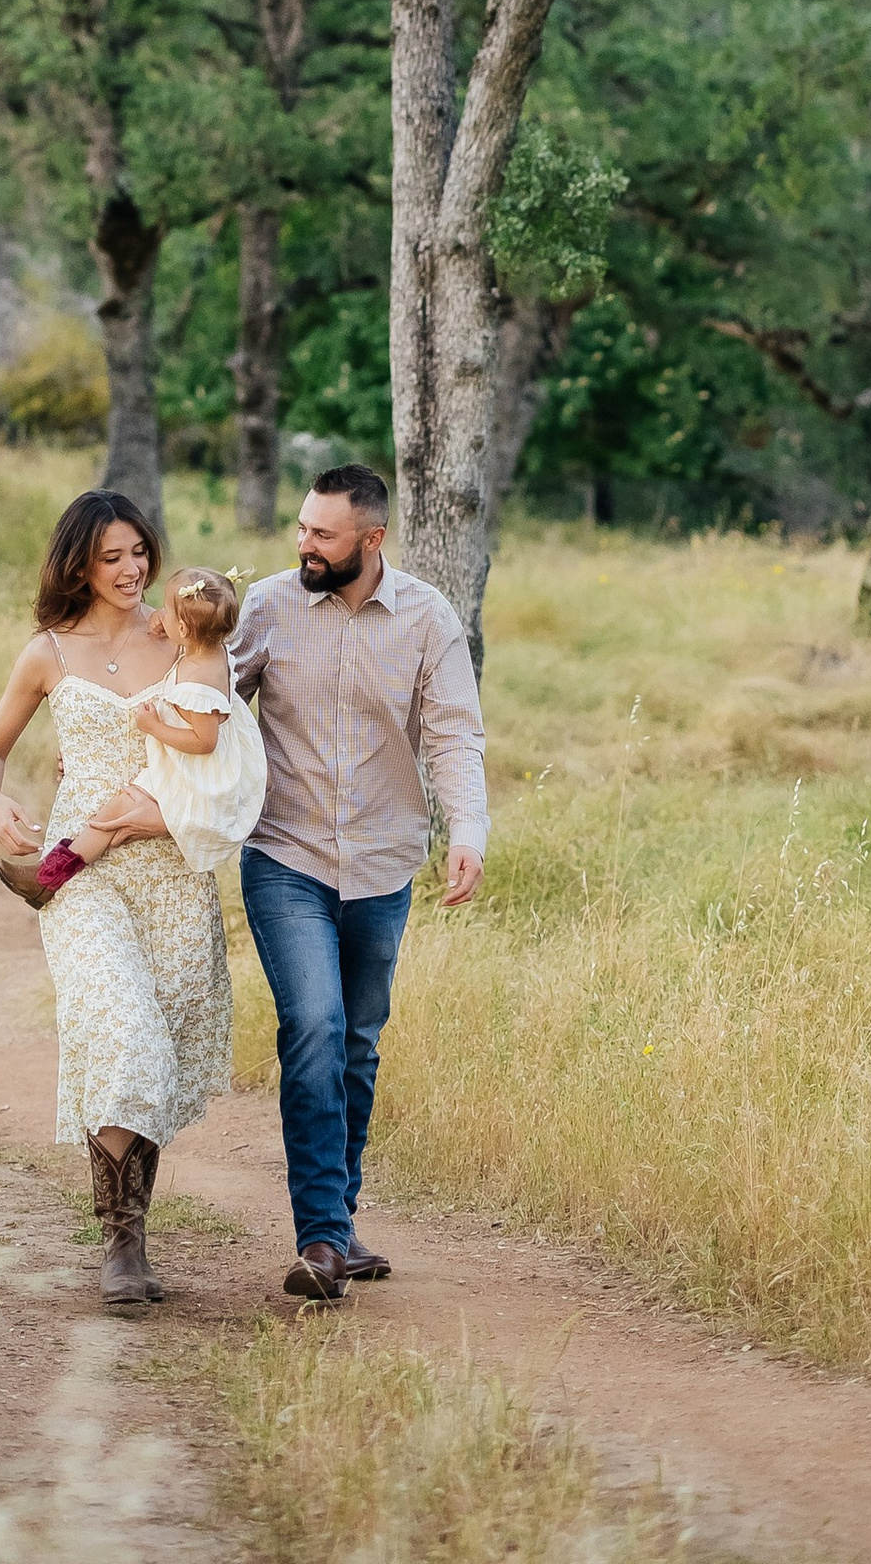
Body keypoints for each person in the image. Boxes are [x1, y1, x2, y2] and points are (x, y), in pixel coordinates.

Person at [0, 489, 233, 1312]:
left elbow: (220, 747)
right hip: (78, 877)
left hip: (172, 871)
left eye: (139, 553)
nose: (131, 569)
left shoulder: (179, 634)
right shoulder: (46, 652)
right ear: (79, 561)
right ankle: (122, 1245)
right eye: (112, 556)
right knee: (122, 1028)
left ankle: (136, 1230)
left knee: (155, 1048)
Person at [232, 461, 487, 1309]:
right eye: (302, 528)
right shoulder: (266, 606)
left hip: (382, 862)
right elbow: (203, 704)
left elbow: (452, 732)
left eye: (323, 534)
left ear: (370, 540)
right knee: (313, 1024)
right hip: (286, 856)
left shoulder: (426, 617)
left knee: (358, 1043)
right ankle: (319, 1240)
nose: (304, 544)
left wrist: (468, 833)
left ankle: (338, 1226)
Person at [0, 566, 267, 893]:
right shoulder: (207, 649)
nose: (158, 614)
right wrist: (168, 625)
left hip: (192, 773)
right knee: (115, 821)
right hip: (183, 763)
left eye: (167, 610)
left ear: (182, 627)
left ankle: (48, 876)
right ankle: (51, 874)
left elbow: (205, 741)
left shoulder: (200, 680)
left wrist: (153, 727)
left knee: (114, 813)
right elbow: (190, 637)